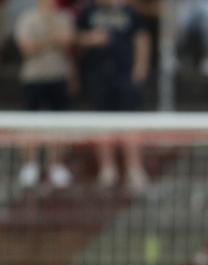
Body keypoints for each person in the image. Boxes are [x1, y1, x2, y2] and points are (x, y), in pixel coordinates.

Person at [77, 0, 151, 191]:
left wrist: (140, 67)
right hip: (98, 75)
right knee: (102, 123)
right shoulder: (88, 11)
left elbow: (142, 38)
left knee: (130, 123)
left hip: (124, 75)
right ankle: (107, 168)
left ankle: (134, 168)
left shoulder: (129, 12)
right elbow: (76, 38)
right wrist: (90, 39)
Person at [14, 0, 74, 188]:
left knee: (59, 124)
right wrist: (52, 39)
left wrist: (47, 38)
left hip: (58, 77)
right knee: (30, 123)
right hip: (34, 78)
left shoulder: (63, 18)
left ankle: (56, 164)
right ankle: (30, 164)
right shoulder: (27, 19)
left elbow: (68, 42)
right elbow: (27, 48)